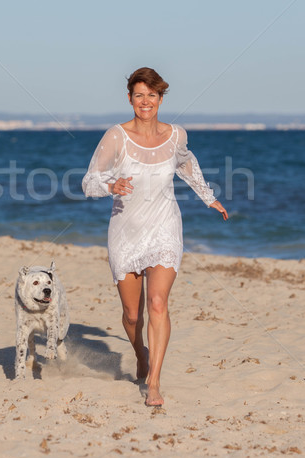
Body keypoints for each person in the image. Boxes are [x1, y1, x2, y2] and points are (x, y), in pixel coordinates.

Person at [82, 67, 228, 406]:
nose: (145, 101)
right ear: (129, 98)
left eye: (151, 95)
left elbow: (187, 164)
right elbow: (89, 181)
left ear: (161, 98)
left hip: (165, 226)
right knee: (133, 315)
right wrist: (109, 185)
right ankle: (140, 354)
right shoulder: (116, 136)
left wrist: (208, 196)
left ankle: (154, 383)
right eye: (139, 95)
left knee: (158, 303)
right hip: (125, 230)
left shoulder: (176, 134)